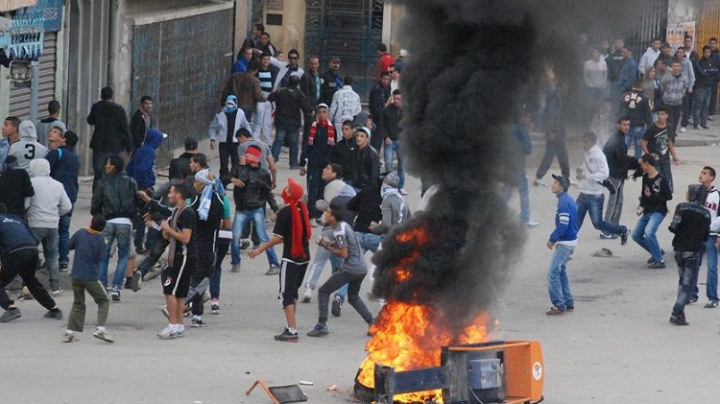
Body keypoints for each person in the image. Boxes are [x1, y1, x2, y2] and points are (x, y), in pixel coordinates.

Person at [249, 178, 312, 342]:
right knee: (292, 292)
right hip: (304, 258)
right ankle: (290, 325)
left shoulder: (286, 212)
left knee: (286, 295)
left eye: (288, 188)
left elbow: (278, 238)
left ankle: (292, 330)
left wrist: (260, 249)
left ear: (289, 194)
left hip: (291, 259)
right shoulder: (302, 209)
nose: (285, 188)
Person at [307, 205, 375, 337]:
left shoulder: (338, 230)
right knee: (353, 297)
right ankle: (372, 323)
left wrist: (327, 248)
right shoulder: (344, 225)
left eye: (327, 213)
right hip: (361, 268)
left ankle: (322, 325)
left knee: (324, 291)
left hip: (351, 268)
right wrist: (328, 243)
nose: (324, 215)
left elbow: (343, 253)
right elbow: (344, 242)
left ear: (333, 218)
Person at [0, 202, 64, 323]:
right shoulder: (17, 219)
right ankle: (54, 309)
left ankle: (10, 308)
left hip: (15, 252)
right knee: (31, 281)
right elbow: (35, 239)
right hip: (32, 250)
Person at [224, 146, 280, 275]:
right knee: (235, 236)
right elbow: (224, 178)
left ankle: (274, 264)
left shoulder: (264, 173)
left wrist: (275, 208)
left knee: (264, 238)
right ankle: (236, 261)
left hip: (256, 209)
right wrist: (233, 179)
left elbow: (268, 192)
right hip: (241, 210)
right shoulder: (239, 169)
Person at [90, 155, 138, 299]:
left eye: (107, 164)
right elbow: (136, 201)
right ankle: (117, 287)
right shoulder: (131, 182)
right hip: (125, 222)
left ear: (112, 166)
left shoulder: (102, 183)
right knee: (123, 256)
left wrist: (97, 215)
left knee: (104, 256)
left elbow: (95, 204)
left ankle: (102, 287)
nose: (105, 166)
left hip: (108, 222)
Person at [63, 214, 114, 343]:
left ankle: (69, 332)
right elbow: (101, 258)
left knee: (78, 303)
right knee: (103, 300)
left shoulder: (81, 233)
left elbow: (69, 245)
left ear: (90, 222)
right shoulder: (101, 240)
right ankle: (100, 329)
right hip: (91, 276)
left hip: (76, 275)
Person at [184, 169, 225, 328]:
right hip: (210, 246)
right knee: (201, 280)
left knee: (198, 280)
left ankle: (183, 304)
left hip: (196, 246)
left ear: (202, 183)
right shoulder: (220, 200)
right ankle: (197, 315)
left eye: (196, 181)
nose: (194, 184)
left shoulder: (196, 202)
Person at [157, 184, 196, 340]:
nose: (169, 195)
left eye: (172, 192)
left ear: (179, 195)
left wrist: (168, 229)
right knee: (179, 294)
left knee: (170, 290)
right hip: (178, 254)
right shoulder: (176, 212)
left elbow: (186, 238)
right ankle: (179, 326)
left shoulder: (187, 213)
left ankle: (172, 325)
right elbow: (173, 234)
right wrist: (167, 232)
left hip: (183, 255)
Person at [574, 132, 629, 243]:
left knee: (598, 223)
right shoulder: (586, 153)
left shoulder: (599, 155)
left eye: (586, 142)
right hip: (583, 193)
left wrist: (587, 176)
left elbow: (604, 174)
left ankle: (623, 230)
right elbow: (586, 167)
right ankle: (568, 246)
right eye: (583, 142)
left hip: (595, 195)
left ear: (593, 142)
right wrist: (580, 170)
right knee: (575, 222)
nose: (584, 144)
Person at [27, 159, 72, 295]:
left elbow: (26, 204)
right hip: (52, 225)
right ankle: (55, 287)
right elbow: (67, 206)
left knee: (30, 255)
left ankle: (28, 285)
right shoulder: (57, 185)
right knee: (52, 256)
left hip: (34, 224)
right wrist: (55, 214)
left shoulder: (31, 183)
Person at [667, 184, 710, 326]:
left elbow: (673, 226)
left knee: (682, 281)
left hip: (679, 248)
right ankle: (677, 309)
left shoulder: (681, 207)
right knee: (687, 284)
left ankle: (680, 315)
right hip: (692, 251)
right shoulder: (706, 213)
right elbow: (705, 236)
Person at [46, 129, 81, 271]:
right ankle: (64, 261)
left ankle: (51, 261)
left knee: (53, 230)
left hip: (55, 197)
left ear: (64, 140)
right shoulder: (76, 157)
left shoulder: (57, 153)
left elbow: (45, 168)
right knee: (64, 230)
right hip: (70, 197)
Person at [126, 128, 165, 253]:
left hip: (136, 185)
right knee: (146, 215)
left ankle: (137, 241)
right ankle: (142, 244)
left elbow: (130, 167)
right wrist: (145, 185)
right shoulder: (149, 152)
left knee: (139, 214)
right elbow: (142, 169)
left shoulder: (140, 149)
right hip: (145, 187)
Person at [86, 87, 132, 193]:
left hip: (99, 146)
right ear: (112, 96)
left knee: (98, 174)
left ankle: (97, 198)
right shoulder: (119, 109)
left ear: (101, 96)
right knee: (116, 173)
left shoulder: (96, 107)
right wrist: (129, 147)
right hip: (115, 146)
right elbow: (126, 129)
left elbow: (90, 120)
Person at [545, 174, 578, 315]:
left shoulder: (563, 202)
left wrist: (552, 238)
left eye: (556, 183)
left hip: (565, 242)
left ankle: (559, 305)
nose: (553, 184)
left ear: (562, 187)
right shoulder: (567, 199)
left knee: (553, 272)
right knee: (561, 271)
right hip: (570, 241)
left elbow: (563, 224)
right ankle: (568, 301)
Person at [602, 117, 640, 239]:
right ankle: (606, 229)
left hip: (619, 174)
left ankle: (614, 227)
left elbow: (622, 158)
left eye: (628, 124)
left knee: (619, 201)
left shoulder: (621, 138)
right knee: (613, 202)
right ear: (618, 125)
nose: (626, 127)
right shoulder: (616, 139)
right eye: (624, 124)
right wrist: (634, 162)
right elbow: (616, 158)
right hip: (614, 175)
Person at [632, 154, 673, 268]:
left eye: (642, 165)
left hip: (659, 210)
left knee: (649, 232)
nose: (641, 167)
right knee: (636, 235)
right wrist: (641, 206)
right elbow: (644, 194)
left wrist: (654, 197)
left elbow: (668, 196)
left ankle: (659, 260)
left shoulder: (661, 179)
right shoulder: (645, 177)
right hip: (648, 210)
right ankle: (657, 251)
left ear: (647, 164)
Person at [300, 103, 336, 222]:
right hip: (313, 164)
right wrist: (302, 163)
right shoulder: (312, 127)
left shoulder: (331, 128)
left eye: (324, 112)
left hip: (325, 165)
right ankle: (311, 216)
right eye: (319, 112)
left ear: (328, 114)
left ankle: (320, 215)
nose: (321, 114)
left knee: (323, 191)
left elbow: (333, 148)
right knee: (313, 191)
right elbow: (306, 145)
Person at [268, 75, 314, 168]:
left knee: (278, 140)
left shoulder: (281, 91)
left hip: (281, 120)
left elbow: (270, 97)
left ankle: (273, 159)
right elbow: (307, 107)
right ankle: (293, 163)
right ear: (298, 84)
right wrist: (311, 111)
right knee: (294, 143)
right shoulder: (299, 93)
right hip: (293, 121)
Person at [692, 167, 720, 308]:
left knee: (711, 267)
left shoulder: (717, 195)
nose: (701, 175)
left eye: (704, 173)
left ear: (711, 178)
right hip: (698, 235)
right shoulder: (696, 192)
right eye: (701, 172)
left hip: (712, 235)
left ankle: (713, 297)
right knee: (693, 264)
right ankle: (692, 294)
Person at [534, 83, 570, 186]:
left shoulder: (558, 99)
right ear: (559, 88)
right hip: (555, 133)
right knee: (555, 156)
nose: (566, 91)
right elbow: (551, 116)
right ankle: (540, 177)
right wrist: (551, 131)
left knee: (555, 156)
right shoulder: (553, 99)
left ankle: (540, 177)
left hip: (557, 132)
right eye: (564, 88)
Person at [208, 95, 252, 178]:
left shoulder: (240, 113)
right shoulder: (220, 114)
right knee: (223, 163)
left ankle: (235, 180)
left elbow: (246, 125)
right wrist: (212, 139)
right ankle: (223, 181)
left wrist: (248, 137)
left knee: (236, 163)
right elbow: (212, 128)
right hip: (224, 143)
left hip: (236, 142)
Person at [641, 106, 680, 193]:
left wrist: (674, 156)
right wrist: (649, 155)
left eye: (662, 114)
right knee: (656, 181)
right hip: (655, 160)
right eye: (658, 114)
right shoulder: (652, 128)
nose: (660, 116)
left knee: (666, 181)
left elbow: (669, 142)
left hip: (665, 159)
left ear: (667, 116)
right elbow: (643, 142)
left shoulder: (669, 127)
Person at [380, 89, 407, 194]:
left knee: (402, 165)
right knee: (388, 163)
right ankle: (390, 186)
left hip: (402, 141)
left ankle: (400, 186)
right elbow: (381, 125)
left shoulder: (406, 111)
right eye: (394, 98)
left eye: (398, 99)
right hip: (389, 141)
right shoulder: (386, 111)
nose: (396, 101)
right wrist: (386, 137)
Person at [619, 78, 653, 159]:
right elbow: (648, 114)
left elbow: (619, 110)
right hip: (639, 126)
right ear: (642, 86)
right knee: (638, 146)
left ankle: (621, 161)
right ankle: (637, 163)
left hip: (626, 125)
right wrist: (649, 127)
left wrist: (619, 122)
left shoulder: (624, 96)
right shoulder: (644, 98)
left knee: (624, 146)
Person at [254, 53, 280, 145]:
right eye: (264, 59)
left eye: (267, 59)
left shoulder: (273, 71)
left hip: (269, 100)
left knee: (267, 121)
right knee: (258, 120)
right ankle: (255, 138)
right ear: (261, 60)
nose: (266, 61)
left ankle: (267, 140)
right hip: (260, 100)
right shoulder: (257, 71)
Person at [692, 46, 719, 130]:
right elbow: (702, 73)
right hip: (700, 87)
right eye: (706, 52)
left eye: (709, 52)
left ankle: (704, 123)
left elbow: (715, 71)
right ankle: (696, 123)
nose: (707, 54)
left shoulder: (712, 62)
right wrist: (710, 71)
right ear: (703, 53)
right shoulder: (699, 62)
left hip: (709, 86)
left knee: (706, 106)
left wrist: (710, 71)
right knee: (698, 106)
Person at [660, 61, 688, 140]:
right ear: (671, 67)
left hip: (678, 103)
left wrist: (680, 96)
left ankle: (671, 137)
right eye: (674, 66)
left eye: (678, 66)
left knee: (675, 121)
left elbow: (684, 88)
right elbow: (662, 87)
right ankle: (670, 139)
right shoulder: (666, 77)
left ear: (680, 68)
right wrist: (666, 95)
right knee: (670, 121)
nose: (676, 68)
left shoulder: (683, 78)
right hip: (667, 103)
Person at [329, 121, 357, 186]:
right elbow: (333, 161)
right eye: (343, 129)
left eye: (346, 129)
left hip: (351, 177)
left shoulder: (356, 145)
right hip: (340, 177)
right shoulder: (338, 146)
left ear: (352, 130)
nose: (344, 131)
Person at [369, 71, 391, 151]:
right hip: (377, 120)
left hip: (383, 120)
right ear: (380, 78)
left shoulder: (387, 89)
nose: (385, 81)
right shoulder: (376, 90)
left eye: (387, 79)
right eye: (384, 79)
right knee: (376, 143)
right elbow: (376, 108)